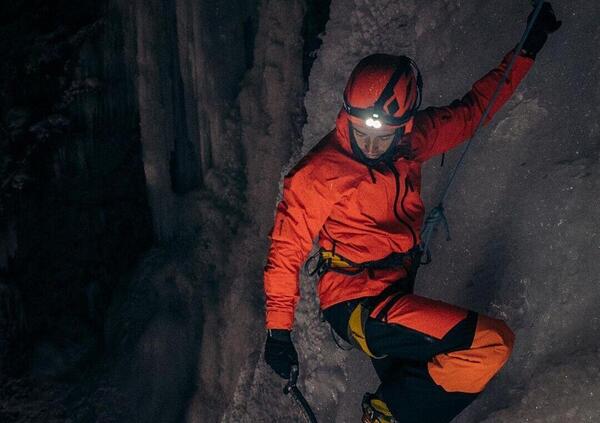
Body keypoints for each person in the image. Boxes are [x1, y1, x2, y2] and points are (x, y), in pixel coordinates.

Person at [263, 3, 561, 422]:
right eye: (361, 132)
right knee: (489, 344)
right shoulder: (319, 174)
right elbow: (285, 251)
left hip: (395, 287)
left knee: (426, 385)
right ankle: (384, 414)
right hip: (357, 302)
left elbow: (473, 111)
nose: (369, 146)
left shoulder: (412, 142)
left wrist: (526, 51)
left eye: (381, 136)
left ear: (403, 127)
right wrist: (278, 331)